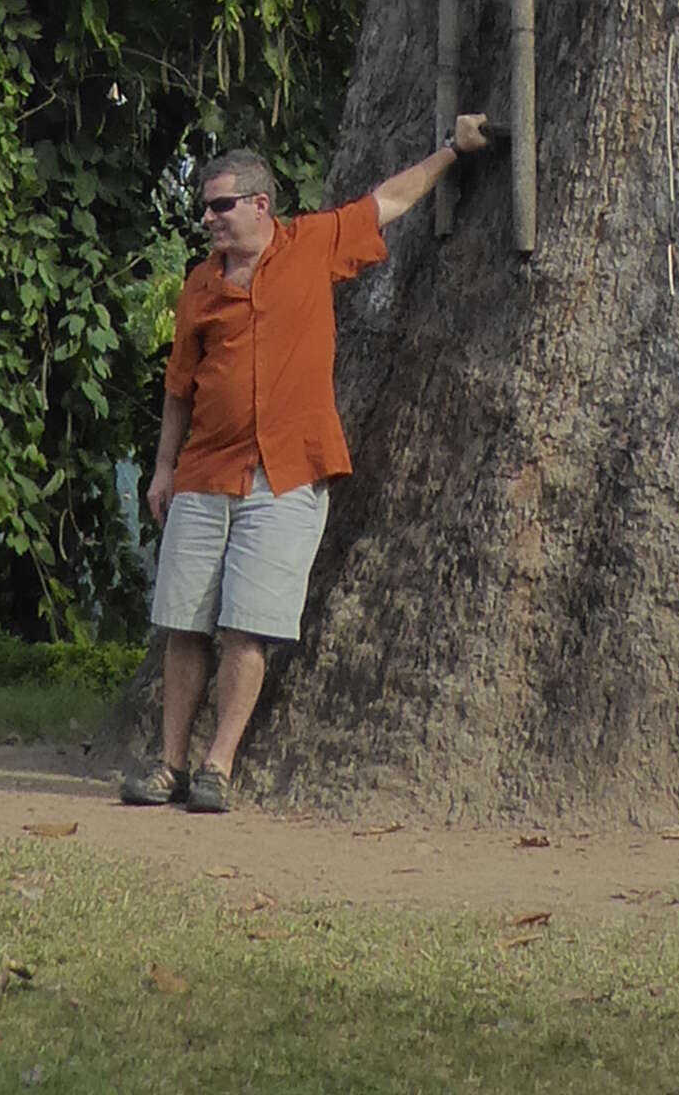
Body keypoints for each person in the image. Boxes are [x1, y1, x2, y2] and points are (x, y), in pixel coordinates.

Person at [125, 110, 492, 811]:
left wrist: (451, 148)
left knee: (248, 625)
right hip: (203, 475)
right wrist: (163, 468)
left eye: (220, 206)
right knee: (182, 623)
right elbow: (178, 388)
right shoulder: (199, 286)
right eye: (204, 208)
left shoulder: (311, 245)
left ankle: (216, 767)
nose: (208, 219)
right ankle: (168, 763)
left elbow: (389, 202)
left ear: (260, 205)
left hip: (288, 474)